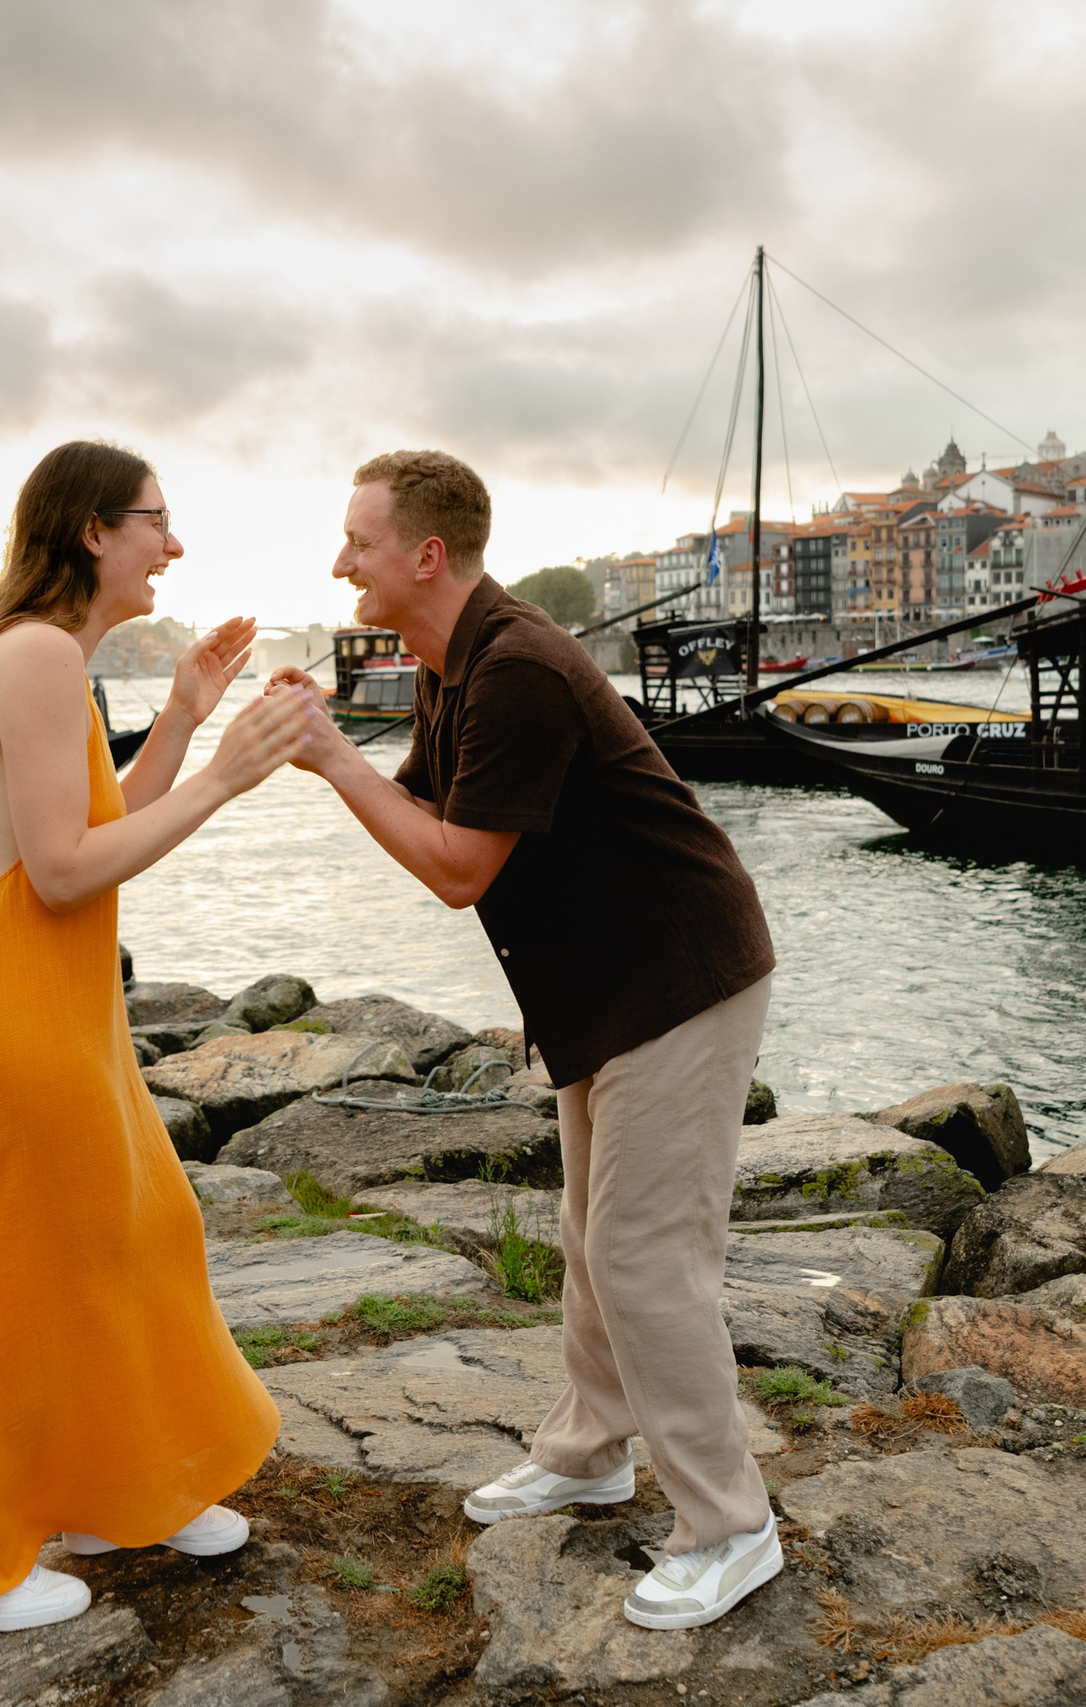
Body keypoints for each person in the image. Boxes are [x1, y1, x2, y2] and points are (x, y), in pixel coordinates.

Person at [0, 439, 318, 1632]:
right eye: (156, 520)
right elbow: (64, 871)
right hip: (13, 1002)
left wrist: (182, 721)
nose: (174, 545)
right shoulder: (37, 654)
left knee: (128, 1238)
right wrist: (225, 780)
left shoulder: (48, 657)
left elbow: (98, 826)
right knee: (4, 1281)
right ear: (95, 531)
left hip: (48, 998)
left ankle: (112, 1494)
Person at [269, 450, 782, 1632]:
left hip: (677, 976)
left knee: (644, 1255)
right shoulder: (451, 664)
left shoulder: (516, 669)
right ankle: (589, 1452)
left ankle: (729, 1526)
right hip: (603, 983)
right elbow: (427, 811)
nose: (340, 561)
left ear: (425, 555)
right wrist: (326, 740)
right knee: (591, 1237)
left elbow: (458, 868)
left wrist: (331, 758)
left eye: (358, 541)